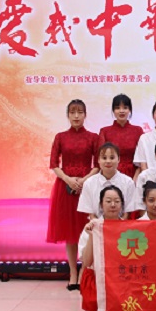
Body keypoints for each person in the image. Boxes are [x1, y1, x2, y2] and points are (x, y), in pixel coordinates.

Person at [45, 99, 99, 291]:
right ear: (68, 115)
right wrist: (68, 179)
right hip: (65, 189)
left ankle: (85, 270)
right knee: (69, 233)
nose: (76, 116)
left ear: (85, 115)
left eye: (80, 112)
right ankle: (73, 273)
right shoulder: (60, 137)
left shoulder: (93, 137)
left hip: (87, 187)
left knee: (88, 229)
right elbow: (53, 164)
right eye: (73, 112)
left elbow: (98, 165)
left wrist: (84, 180)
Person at [79, 185, 125, 311]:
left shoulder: (128, 228)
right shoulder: (92, 227)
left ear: (122, 205)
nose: (113, 205)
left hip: (121, 277)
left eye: (117, 201)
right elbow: (87, 262)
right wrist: (92, 235)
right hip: (99, 277)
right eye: (108, 201)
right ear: (101, 204)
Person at [77, 142, 138, 218]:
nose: (108, 161)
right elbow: (91, 214)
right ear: (98, 160)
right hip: (96, 224)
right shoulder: (89, 183)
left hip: (122, 224)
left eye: (112, 158)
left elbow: (127, 213)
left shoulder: (128, 182)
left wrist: (118, 224)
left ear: (119, 159)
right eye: (104, 158)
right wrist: (99, 224)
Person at [98, 94, 144, 180]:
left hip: (134, 176)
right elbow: (101, 159)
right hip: (111, 175)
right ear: (113, 110)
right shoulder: (104, 131)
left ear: (129, 110)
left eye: (125, 108)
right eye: (117, 108)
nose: (121, 111)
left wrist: (135, 179)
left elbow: (142, 158)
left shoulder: (138, 131)